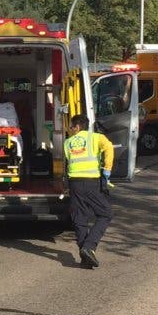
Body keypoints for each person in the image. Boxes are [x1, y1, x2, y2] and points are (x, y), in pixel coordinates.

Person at [64, 114, 114, 269]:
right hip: (91, 182)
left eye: (71, 127)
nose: (71, 130)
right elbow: (109, 147)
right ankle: (89, 247)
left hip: (75, 183)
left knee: (80, 217)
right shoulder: (96, 137)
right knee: (105, 213)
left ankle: (85, 258)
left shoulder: (68, 143)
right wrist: (107, 169)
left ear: (77, 126)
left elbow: (68, 159)